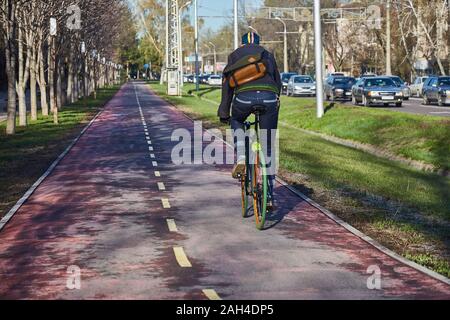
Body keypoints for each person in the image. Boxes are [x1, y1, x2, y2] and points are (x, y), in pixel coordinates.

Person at [218, 32, 282, 210]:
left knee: (237, 120)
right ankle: (269, 196)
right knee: (268, 146)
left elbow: (227, 85)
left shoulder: (234, 56)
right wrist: (275, 98)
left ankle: (241, 156)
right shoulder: (267, 55)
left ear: (242, 43)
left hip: (243, 99)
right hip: (269, 98)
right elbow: (278, 82)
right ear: (259, 43)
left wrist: (224, 111)